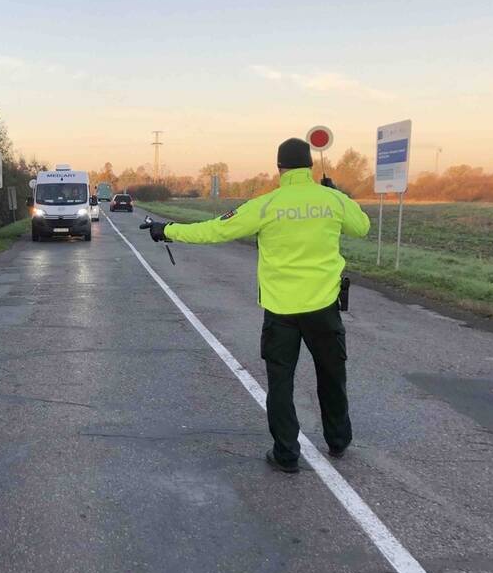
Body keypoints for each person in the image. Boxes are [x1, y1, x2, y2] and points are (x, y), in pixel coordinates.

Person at [145, 138, 371, 473]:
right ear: (310, 166)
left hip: (281, 313)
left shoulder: (266, 205)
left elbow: (215, 230)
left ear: (280, 168)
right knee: (332, 376)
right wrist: (339, 194)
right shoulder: (332, 200)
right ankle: (337, 441)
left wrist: (167, 231)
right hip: (324, 309)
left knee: (281, 384)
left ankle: (286, 454)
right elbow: (362, 227)